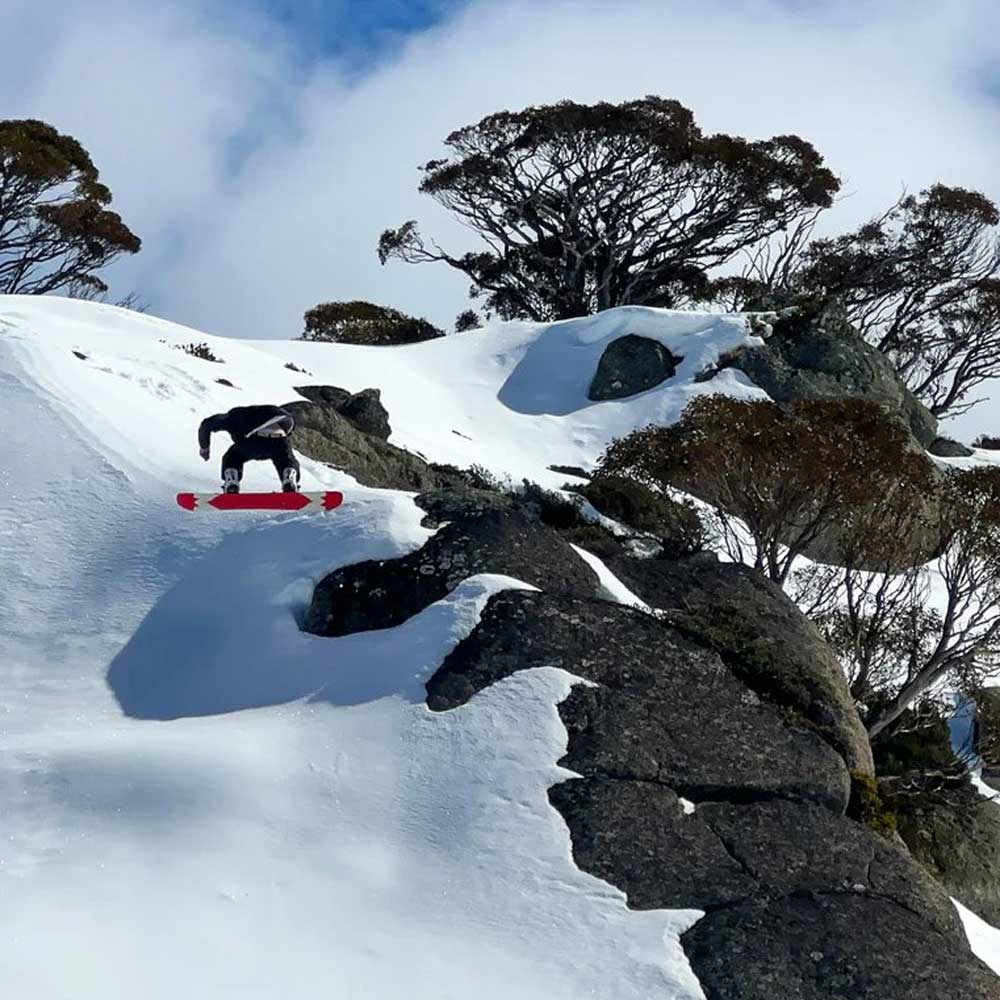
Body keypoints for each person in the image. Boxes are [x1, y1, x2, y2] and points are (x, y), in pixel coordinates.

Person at [198, 404, 301, 493]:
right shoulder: (274, 411)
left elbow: (206, 424)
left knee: (232, 457)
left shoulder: (233, 417)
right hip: (279, 435)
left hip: (252, 441)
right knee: (286, 459)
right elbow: (290, 426)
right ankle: (289, 478)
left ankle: (232, 483)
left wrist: (204, 448)